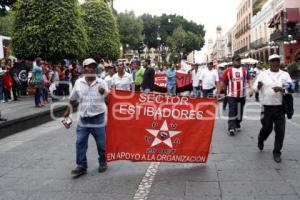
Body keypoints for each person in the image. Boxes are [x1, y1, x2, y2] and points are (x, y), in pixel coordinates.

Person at [64, 58, 108, 177]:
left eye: (94, 67)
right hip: (83, 118)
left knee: (101, 143)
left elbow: (109, 101)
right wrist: (67, 111)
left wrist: (103, 92)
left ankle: (103, 161)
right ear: (84, 69)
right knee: (80, 142)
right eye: (89, 66)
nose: (92, 69)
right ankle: (81, 166)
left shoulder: (101, 82)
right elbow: (73, 99)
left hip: (98, 118)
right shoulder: (78, 83)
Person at [251, 54, 293, 163]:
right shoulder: (263, 74)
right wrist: (257, 87)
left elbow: (292, 88)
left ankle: (277, 152)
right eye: (272, 61)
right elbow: (255, 86)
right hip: (266, 107)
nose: (275, 63)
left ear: (279, 62)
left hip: (280, 108)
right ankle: (261, 138)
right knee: (267, 128)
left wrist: (282, 89)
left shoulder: (285, 74)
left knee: (280, 131)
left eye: (277, 61)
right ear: (269, 62)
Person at [222, 55, 252, 136]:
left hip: (242, 95)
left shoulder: (245, 71)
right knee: (232, 110)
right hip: (231, 95)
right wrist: (224, 91)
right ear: (233, 61)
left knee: (240, 112)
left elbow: (249, 80)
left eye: (239, 60)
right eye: (236, 60)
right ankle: (231, 127)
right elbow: (224, 82)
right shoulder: (228, 71)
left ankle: (237, 123)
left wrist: (251, 89)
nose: (238, 62)